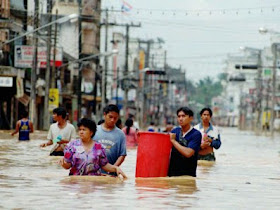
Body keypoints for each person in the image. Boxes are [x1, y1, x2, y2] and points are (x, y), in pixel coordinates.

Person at [60, 118, 127, 178]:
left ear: (91, 132)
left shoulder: (99, 147)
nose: (81, 132)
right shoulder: (71, 146)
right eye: (80, 129)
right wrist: (64, 164)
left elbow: (104, 165)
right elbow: (68, 165)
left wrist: (115, 168)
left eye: (84, 130)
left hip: (94, 182)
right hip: (76, 181)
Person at [168, 107, 202, 177]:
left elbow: (188, 153)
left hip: (187, 175)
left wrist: (173, 141)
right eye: (179, 116)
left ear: (191, 118)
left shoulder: (196, 134)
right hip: (172, 174)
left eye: (183, 116)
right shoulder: (174, 131)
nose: (180, 119)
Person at [93, 104, 127, 170]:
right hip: (93, 172)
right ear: (104, 115)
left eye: (115, 118)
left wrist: (112, 168)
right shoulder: (94, 130)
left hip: (112, 174)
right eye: (110, 117)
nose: (112, 120)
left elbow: (122, 155)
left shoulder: (121, 134)